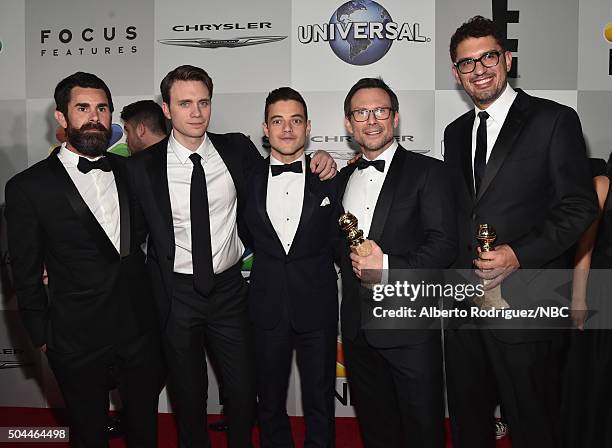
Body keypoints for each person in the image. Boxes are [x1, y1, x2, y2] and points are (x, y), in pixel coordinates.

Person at [127, 65, 336, 448]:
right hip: (175, 294)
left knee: (243, 393)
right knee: (188, 397)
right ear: (167, 109)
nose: (196, 112)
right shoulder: (141, 168)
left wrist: (320, 156)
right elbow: (125, 236)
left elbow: (285, 173)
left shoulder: (236, 149)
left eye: (203, 102)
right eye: (185, 103)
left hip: (229, 292)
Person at [442, 16, 598, 448]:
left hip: (527, 302)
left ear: (507, 59)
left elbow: (580, 205)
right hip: (464, 310)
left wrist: (519, 253)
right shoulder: (453, 134)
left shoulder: (554, 120)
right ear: (456, 73)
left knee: (534, 424)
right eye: (467, 62)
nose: (479, 69)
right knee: (469, 423)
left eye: (488, 56)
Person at [4, 72, 163, 447]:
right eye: (83, 108)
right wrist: (41, 336)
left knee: (146, 432)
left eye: (102, 108)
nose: (94, 116)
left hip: (139, 331)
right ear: (61, 118)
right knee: (88, 435)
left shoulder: (133, 172)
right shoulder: (28, 187)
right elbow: (24, 269)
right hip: (75, 338)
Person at [337, 77, 457, 448]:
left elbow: (444, 247)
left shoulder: (429, 172)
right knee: (377, 433)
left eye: (380, 111)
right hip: (357, 331)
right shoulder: (339, 179)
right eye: (361, 112)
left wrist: (386, 264)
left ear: (396, 118)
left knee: (424, 433)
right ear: (348, 123)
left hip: (409, 330)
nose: (371, 120)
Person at [242, 87, 340, 447]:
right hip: (266, 306)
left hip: (317, 305)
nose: (286, 129)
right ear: (265, 129)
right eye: (277, 121)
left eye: (295, 120)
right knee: (268, 402)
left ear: (308, 127)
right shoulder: (246, 180)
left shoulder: (330, 177)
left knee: (320, 400)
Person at [564, 156, 611, 447]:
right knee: (599, 373)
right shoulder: (602, 184)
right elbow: (585, 247)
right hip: (604, 294)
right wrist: (579, 298)